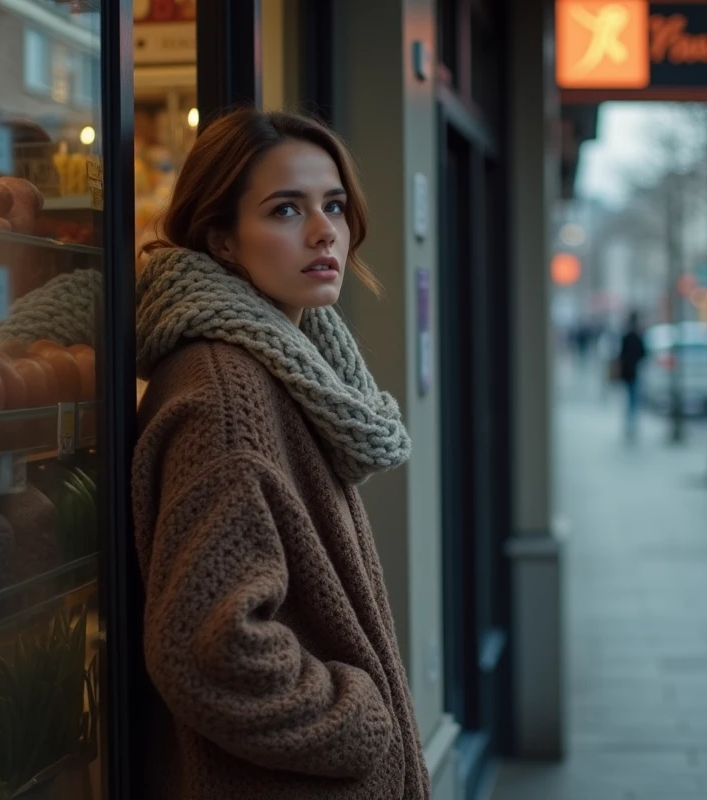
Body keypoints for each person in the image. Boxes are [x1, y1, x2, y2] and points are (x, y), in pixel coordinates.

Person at [131, 105, 431, 799]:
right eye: (285, 210)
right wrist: (359, 723)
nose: (326, 230)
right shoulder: (226, 397)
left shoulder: (289, 368)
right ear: (224, 240)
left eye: (333, 204)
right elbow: (208, 647)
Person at [616, 310, 647, 440]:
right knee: (633, 399)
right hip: (634, 372)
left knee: (630, 399)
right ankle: (632, 423)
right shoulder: (638, 336)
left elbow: (621, 355)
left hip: (627, 373)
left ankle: (629, 423)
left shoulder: (626, 336)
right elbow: (644, 353)